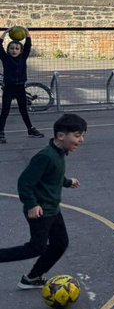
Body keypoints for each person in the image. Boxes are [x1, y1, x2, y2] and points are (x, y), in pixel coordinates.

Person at [1, 113, 86, 289]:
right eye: (77, 136)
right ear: (61, 136)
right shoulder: (45, 156)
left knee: (60, 243)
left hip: (52, 208)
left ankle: (32, 278)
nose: (81, 140)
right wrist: (31, 204)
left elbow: (52, 176)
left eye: (82, 135)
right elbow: (24, 182)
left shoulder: (60, 152)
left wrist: (68, 182)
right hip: (40, 211)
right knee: (36, 247)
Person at [0, 27, 43, 144]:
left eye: (17, 48)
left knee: (24, 110)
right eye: (12, 48)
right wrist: (4, 33)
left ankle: (30, 129)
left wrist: (27, 32)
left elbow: (28, 45)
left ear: (21, 51)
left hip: (20, 88)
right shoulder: (5, 58)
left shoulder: (23, 58)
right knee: (5, 110)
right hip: (9, 88)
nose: (14, 50)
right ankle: (1, 132)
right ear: (8, 50)